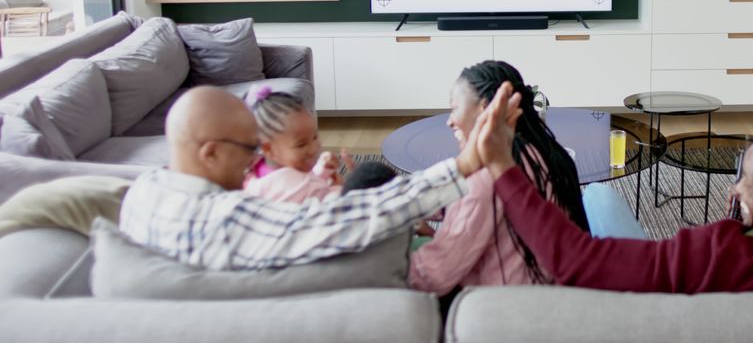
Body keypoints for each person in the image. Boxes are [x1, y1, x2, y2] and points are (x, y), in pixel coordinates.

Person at [119, 85, 520, 271]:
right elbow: (353, 217)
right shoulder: (227, 219)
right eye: (248, 150)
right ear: (210, 152)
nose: (254, 161)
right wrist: (465, 164)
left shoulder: (143, 191)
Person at [474, 120, 753, 293]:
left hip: (660, 300)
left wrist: (502, 168)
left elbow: (573, 259)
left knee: (597, 195)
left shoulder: (715, 252)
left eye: (747, 180)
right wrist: (749, 216)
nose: (736, 188)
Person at [408, 61, 590, 296]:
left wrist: (382, 268)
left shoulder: (487, 175)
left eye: (454, 108)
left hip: (503, 309)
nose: (450, 120)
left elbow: (434, 276)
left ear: (485, 109)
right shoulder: (545, 152)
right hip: (556, 292)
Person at [242, 86, 353, 203]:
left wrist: (323, 170)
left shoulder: (265, 170)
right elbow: (325, 203)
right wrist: (339, 187)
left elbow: (305, 179)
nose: (314, 148)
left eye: (315, 137)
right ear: (269, 149)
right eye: (301, 144)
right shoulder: (291, 188)